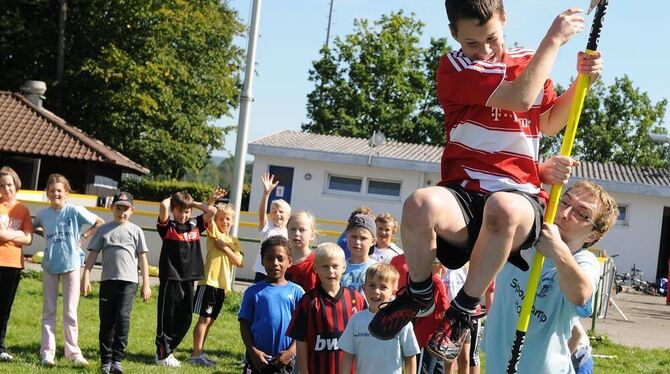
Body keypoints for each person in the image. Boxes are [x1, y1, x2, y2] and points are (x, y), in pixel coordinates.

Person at [369, 0, 604, 362]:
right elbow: (521, 97)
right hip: (464, 193)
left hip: (518, 199)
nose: (485, 50)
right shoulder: (455, 67)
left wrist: (581, 82)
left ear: (504, 19)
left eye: (492, 38)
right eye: (472, 43)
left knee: (503, 208)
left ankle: (463, 311)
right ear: (455, 36)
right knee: (418, 204)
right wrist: (554, 40)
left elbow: (548, 122)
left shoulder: (530, 61)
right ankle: (418, 293)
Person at [483, 180, 618, 373]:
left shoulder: (584, 262)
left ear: (592, 236)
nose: (563, 214)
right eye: (564, 202)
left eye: (581, 214)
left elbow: (581, 295)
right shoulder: (523, 236)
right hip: (499, 364)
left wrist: (558, 252)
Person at [33, 173, 104, 366]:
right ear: (47, 193)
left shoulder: (75, 210)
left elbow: (99, 222)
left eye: (59, 190)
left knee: (70, 312)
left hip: (72, 264)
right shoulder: (42, 215)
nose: (55, 193)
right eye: (52, 190)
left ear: (66, 193)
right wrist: (45, 235)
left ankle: (72, 353)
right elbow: (30, 227)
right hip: (49, 266)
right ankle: (47, 353)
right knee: (49, 311)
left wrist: (82, 238)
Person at [81, 191, 151, 374]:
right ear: (112, 208)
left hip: (128, 283)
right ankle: (105, 361)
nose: (122, 212)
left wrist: (146, 283)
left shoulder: (136, 231)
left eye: (125, 209)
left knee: (122, 318)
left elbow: (143, 258)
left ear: (132, 210)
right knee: (106, 321)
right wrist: (85, 276)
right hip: (108, 282)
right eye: (118, 208)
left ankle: (117, 360)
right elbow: (93, 255)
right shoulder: (104, 230)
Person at [154, 188, 222, 367]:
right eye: (180, 210)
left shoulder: (195, 224)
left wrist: (192, 203)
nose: (183, 215)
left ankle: (168, 350)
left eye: (187, 211)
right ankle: (162, 354)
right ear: (173, 209)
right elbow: (163, 205)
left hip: (189, 278)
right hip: (171, 277)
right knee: (167, 317)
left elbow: (212, 211)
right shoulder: (167, 227)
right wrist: (177, 198)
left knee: (185, 319)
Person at [287, 242, 366, 374]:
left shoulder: (357, 299)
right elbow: (301, 341)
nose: (330, 271)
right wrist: (304, 371)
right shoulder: (308, 301)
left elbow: (365, 338)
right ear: (315, 268)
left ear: (344, 267)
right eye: (325, 266)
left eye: (335, 266)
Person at [238, 235, 304, 374]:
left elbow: (303, 327)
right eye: (269, 258)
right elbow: (244, 324)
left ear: (289, 262)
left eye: (280, 258)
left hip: (286, 361)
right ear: (262, 261)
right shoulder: (252, 292)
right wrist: (253, 351)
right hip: (257, 360)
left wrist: (290, 352)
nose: (275, 263)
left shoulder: (297, 292)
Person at [339, 263, 420, 374]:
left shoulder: (402, 322)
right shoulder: (355, 320)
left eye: (383, 287)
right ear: (364, 288)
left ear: (393, 292)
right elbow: (348, 355)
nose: (376, 291)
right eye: (372, 285)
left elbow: (410, 356)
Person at [190, 201, 243, 367]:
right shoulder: (213, 233)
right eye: (221, 218)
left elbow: (239, 262)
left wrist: (225, 248)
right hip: (209, 283)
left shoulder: (233, 241)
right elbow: (209, 211)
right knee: (204, 319)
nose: (224, 222)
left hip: (222, 287)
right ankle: (195, 355)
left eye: (227, 219)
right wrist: (209, 201)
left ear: (232, 221)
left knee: (210, 321)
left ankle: (200, 353)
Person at [392, 255, 449, 374]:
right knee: (432, 368)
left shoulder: (422, 283)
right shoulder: (437, 282)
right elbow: (444, 309)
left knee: (428, 368)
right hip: (428, 336)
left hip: (426, 335)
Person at [0, 167, 32, 362]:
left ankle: (1, 347)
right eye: (2, 186)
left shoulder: (23, 209)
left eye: (9, 185)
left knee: (4, 308)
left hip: (14, 264)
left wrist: (8, 235)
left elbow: (28, 239)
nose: (6, 189)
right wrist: (17, 235)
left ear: (16, 185)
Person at [253, 173, 291, 283]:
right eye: (274, 211)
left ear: (288, 215)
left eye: (281, 211)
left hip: (280, 274)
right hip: (262, 273)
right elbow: (261, 215)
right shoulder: (267, 228)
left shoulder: (289, 233)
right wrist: (266, 194)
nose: (277, 214)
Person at [341, 214, 378, 293]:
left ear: (373, 241)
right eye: (354, 237)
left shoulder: (377, 269)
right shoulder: (338, 267)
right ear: (347, 237)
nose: (357, 242)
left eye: (363, 238)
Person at [285, 211, 319, 292]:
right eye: (293, 229)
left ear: (312, 235)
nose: (296, 233)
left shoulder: (317, 262)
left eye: (302, 230)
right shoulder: (280, 259)